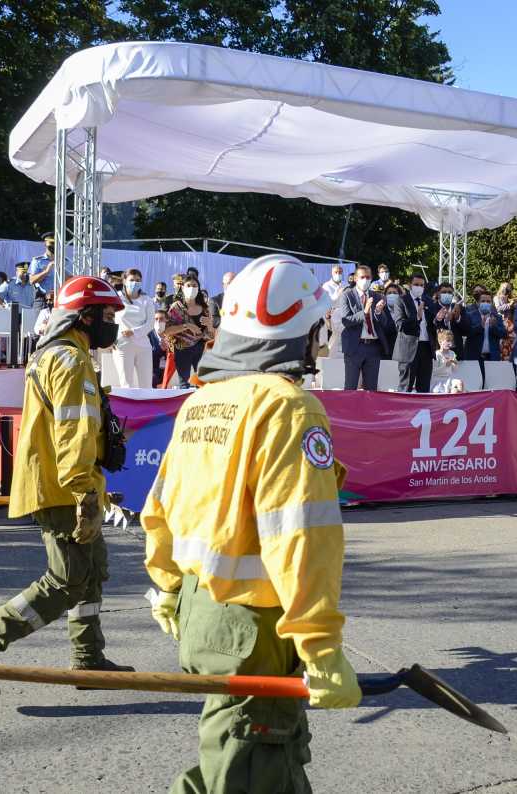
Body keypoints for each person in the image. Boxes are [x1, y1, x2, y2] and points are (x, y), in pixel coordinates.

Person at [142, 254, 361, 792]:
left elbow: (162, 505)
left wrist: (169, 586)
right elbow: (301, 536)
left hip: (200, 611)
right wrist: (321, 643)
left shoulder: (204, 401)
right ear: (302, 331)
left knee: (233, 756)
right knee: (250, 768)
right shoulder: (288, 407)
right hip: (252, 626)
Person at [0, 276, 134, 702]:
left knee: (90, 573)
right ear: (85, 316)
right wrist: (84, 492)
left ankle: (88, 659)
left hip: (65, 482)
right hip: (63, 488)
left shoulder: (61, 355)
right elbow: (74, 430)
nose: (113, 323)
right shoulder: (69, 361)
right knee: (66, 580)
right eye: (107, 315)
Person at [335, 264, 394, 390]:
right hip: (354, 347)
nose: (365, 280)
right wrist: (365, 312)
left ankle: (368, 410)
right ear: (356, 278)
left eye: (368, 277)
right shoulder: (347, 295)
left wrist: (378, 312)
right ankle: (350, 410)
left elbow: (385, 323)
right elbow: (346, 321)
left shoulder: (377, 296)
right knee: (351, 386)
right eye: (362, 277)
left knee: (371, 389)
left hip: (374, 347)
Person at [164, 276, 212, 387]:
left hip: (201, 349)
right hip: (182, 349)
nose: (191, 288)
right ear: (183, 288)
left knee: (202, 383)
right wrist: (187, 326)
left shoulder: (205, 308)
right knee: (183, 384)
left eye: (194, 286)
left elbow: (212, 334)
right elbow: (167, 331)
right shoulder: (176, 308)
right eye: (188, 285)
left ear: (199, 288)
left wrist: (210, 325)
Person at [112, 268, 156, 388]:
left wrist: (134, 331)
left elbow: (151, 323)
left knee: (146, 385)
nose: (135, 283)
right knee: (126, 384)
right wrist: (110, 339)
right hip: (122, 345)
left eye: (138, 280)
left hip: (143, 345)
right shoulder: (116, 298)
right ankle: (127, 408)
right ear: (124, 281)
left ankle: (146, 407)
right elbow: (109, 318)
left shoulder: (147, 300)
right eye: (132, 280)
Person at [462, 291, 505, 373]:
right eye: (483, 301)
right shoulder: (470, 315)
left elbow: (503, 334)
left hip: (492, 358)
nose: (486, 303)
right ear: (478, 303)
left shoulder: (497, 317)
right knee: (474, 384)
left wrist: (494, 326)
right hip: (473, 358)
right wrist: (480, 326)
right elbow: (466, 333)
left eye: (488, 301)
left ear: (492, 303)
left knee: (491, 384)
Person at [493, 281, 517, 361]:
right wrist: (509, 305)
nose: (507, 290)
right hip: (502, 323)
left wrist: (515, 305)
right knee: (503, 344)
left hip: (511, 324)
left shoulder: (510, 298)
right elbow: (498, 309)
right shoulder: (497, 298)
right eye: (506, 288)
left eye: (509, 288)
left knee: (511, 345)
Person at [150, 309, 169, 387]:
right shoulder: (149, 335)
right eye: (156, 319)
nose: (158, 321)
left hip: (168, 369)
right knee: (153, 378)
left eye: (161, 319)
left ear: (166, 321)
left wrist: (167, 349)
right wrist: (160, 349)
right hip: (154, 370)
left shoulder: (172, 334)